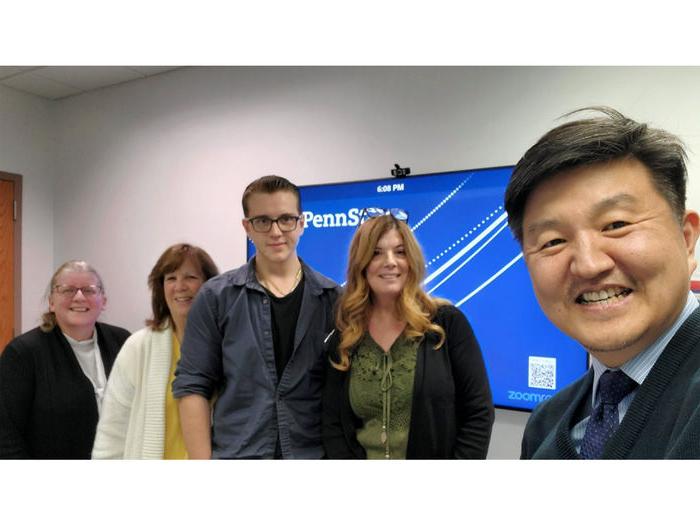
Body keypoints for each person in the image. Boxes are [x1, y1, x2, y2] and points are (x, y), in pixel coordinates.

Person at [505, 107, 700, 459]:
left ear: (686, 239)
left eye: (616, 224)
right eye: (552, 241)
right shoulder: (546, 424)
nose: (589, 264)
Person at [173, 175, 341, 459]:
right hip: (238, 456)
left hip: (311, 456)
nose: (276, 232)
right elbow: (192, 386)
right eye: (263, 221)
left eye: (286, 219)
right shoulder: (216, 297)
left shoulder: (332, 299)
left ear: (301, 223)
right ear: (247, 227)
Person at [322, 210, 495, 459]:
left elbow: (479, 414)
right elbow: (332, 423)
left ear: (411, 260)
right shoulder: (346, 332)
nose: (390, 262)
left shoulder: (447, 323)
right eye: (376, 253)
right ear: (361, 263)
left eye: (400, 252)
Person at [92, 244, 219, 459]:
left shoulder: (227, 345)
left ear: (209, 284)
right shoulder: (138, 347)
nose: (180, 286)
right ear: (160, 287)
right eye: (171, 278)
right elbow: (112, 432)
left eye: (190, 277)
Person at [0, 261, 130, 459]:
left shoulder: (123, 342)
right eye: (67, 290)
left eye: (88, 290)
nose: (79, 297)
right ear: (51, 302)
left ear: (103, 301)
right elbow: (6, 433)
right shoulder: (23, 353)